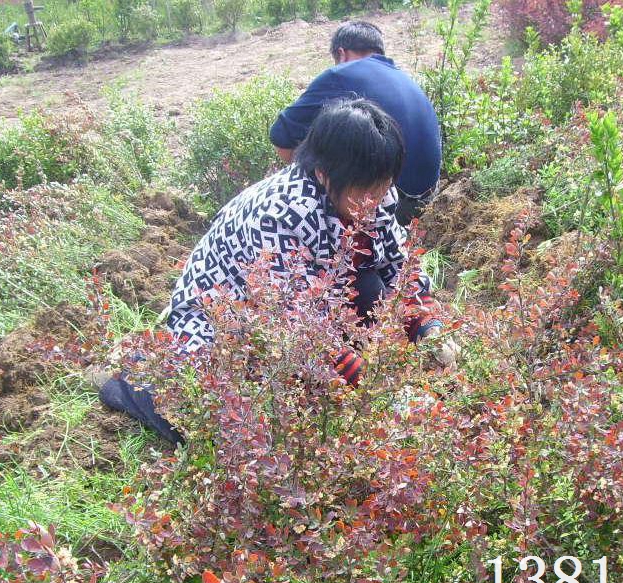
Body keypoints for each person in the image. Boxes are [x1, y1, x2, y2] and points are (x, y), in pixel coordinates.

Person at [98, 99, 447, 443]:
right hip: (230, 318)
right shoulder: (278, 216)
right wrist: (375, 390)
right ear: (324, 175)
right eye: (366, 193)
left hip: (315, 301)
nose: (377, 202)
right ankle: (131, 378)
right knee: (225, 424)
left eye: (383, 188)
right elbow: (295, 327)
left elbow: (399, 267)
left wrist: (428, 327)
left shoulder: (374, 194)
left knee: (372, 290)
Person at [269, 20, 441, 226]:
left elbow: (280, 136)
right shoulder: (403, 77)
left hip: (390, 202)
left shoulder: (340, 74)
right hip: (430, 198)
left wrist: (315, 183)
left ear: (341, 54)